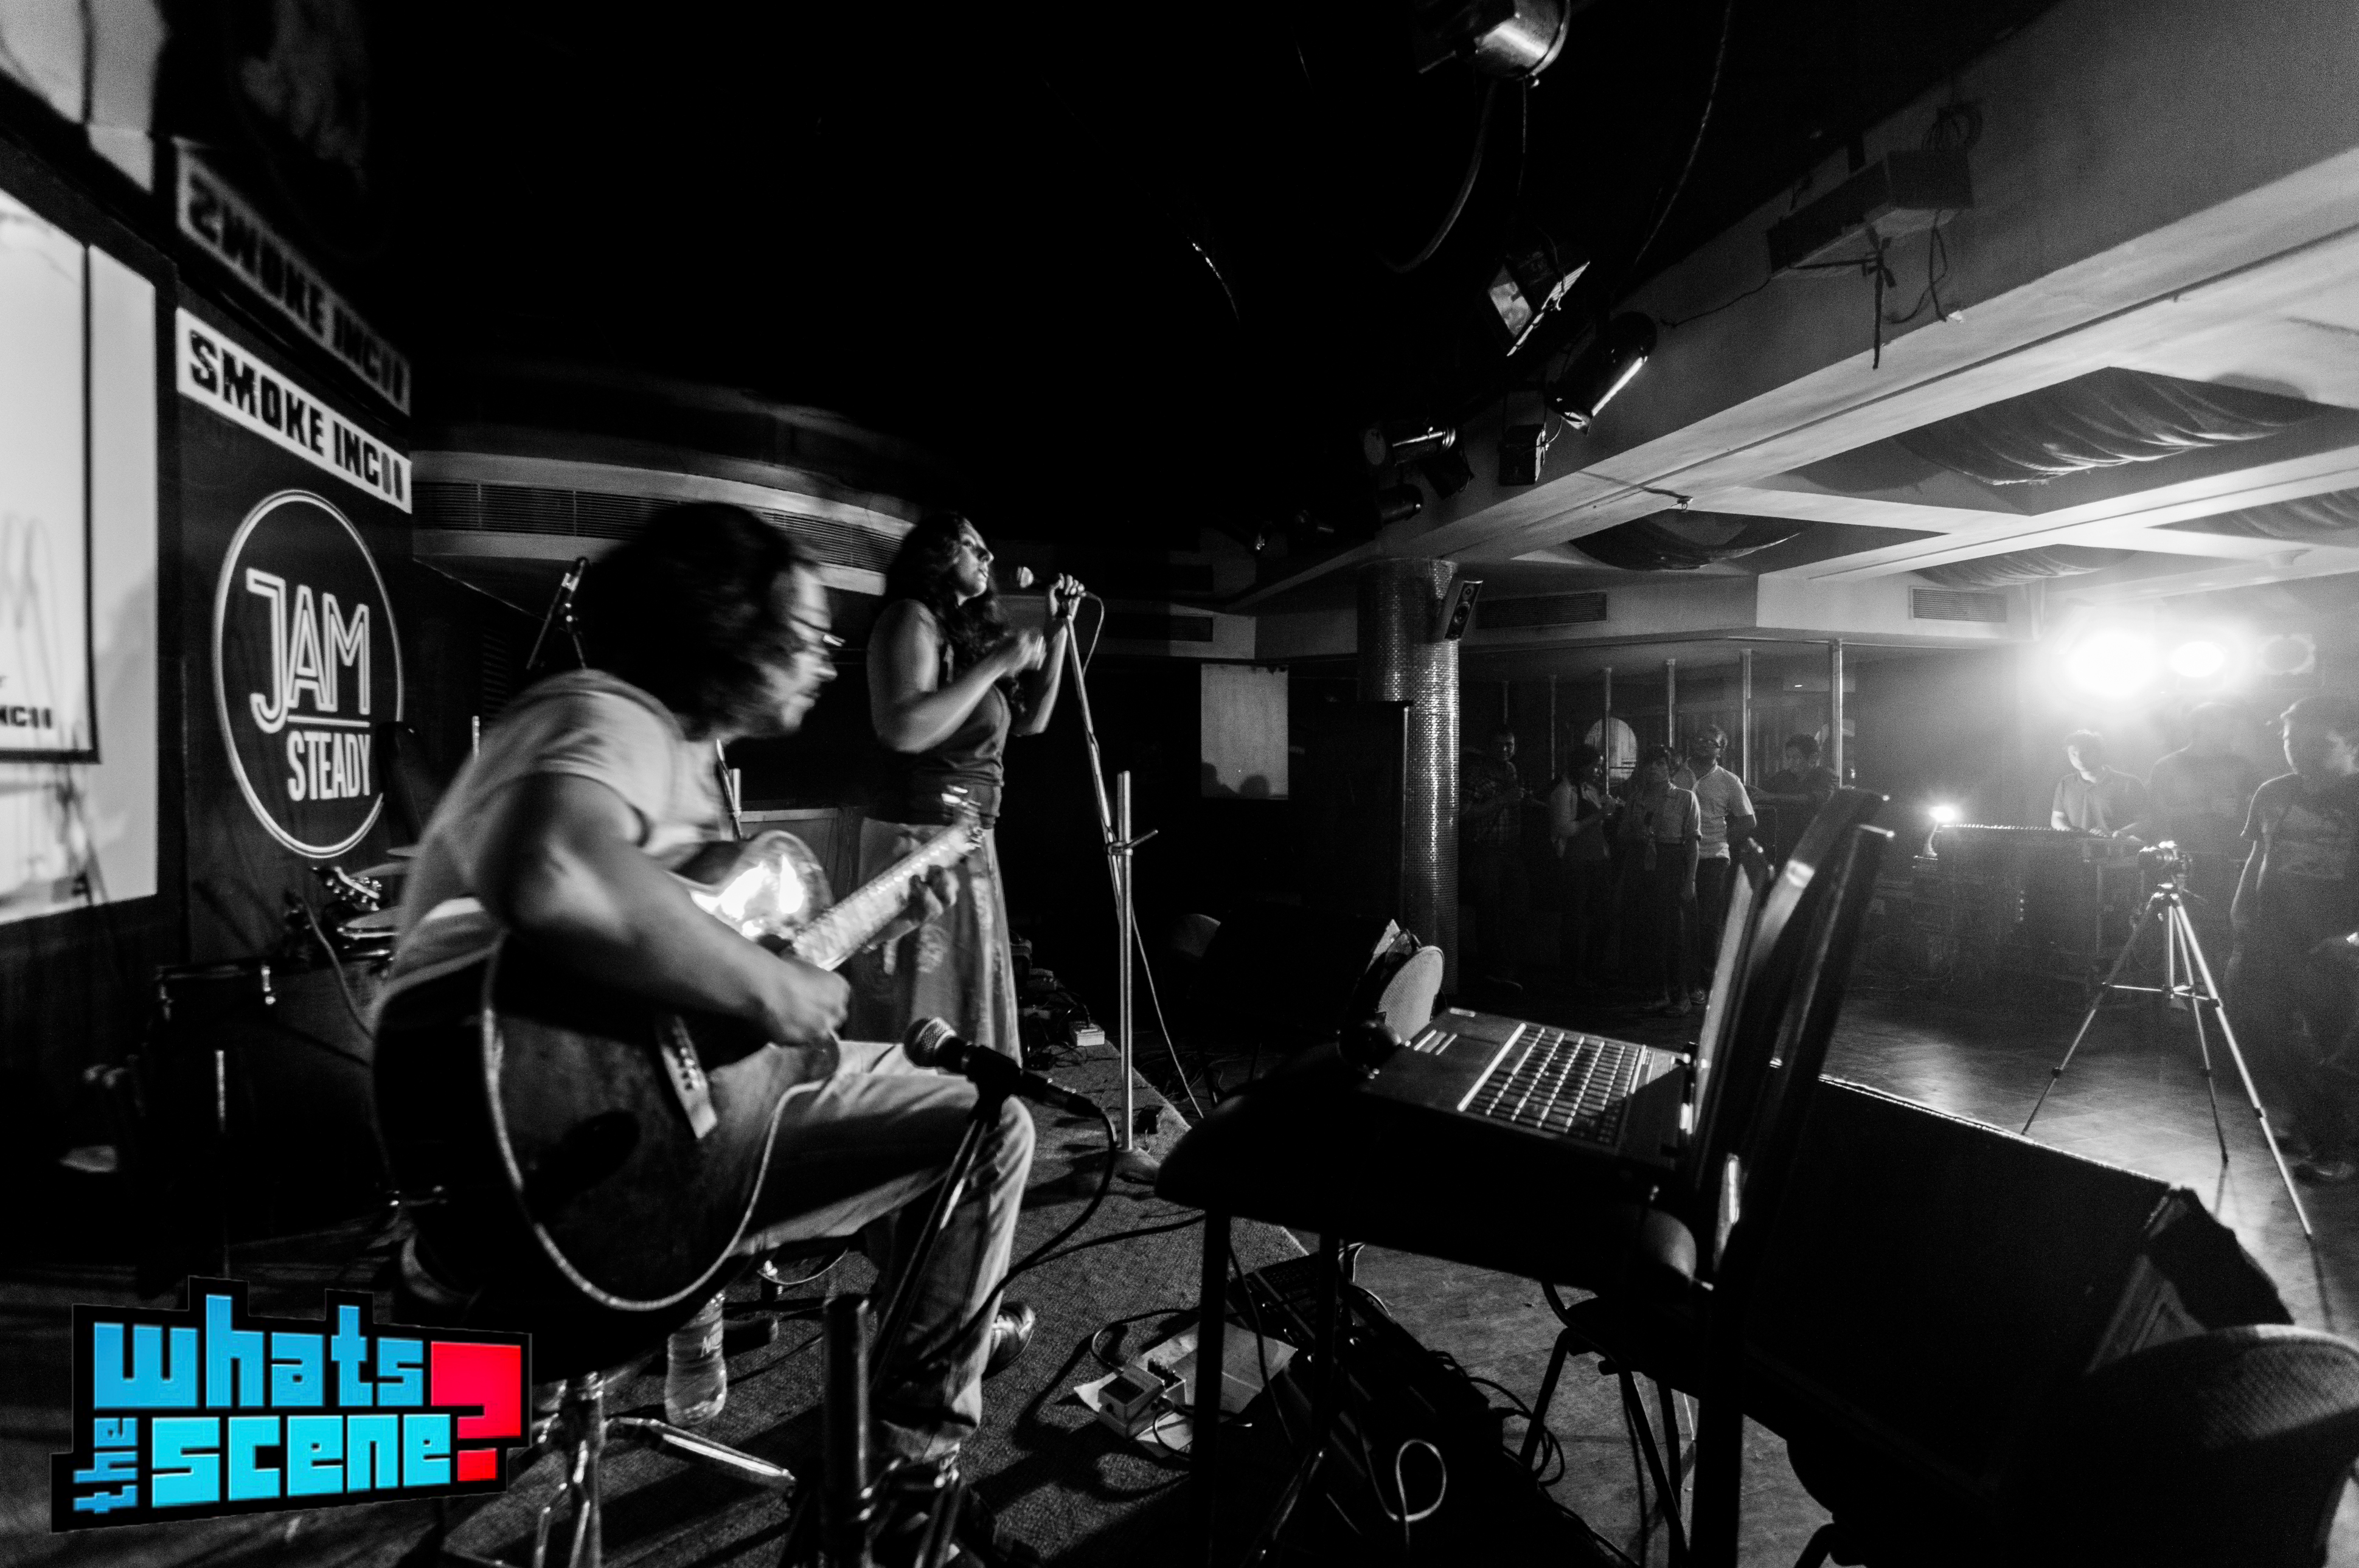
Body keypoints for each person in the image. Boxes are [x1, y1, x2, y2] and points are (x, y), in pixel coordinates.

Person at [384, 505, 1037, 1521]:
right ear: (726, 630)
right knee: (991, 1123)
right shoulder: (612, 714)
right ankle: (910, 1468)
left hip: (590, 1161)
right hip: (575, 1157)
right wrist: (774, 990)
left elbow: (678, 968)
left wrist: (883, 914)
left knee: (930, 1112)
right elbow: (552, 866)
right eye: (803, 634)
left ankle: (920, 1339)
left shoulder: (675, 759)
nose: (824, 658)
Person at [857, 512, 1085, 1059]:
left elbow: (1032, 723)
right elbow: (902, 728)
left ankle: (964, 1104)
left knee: (968, 1009)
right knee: (925, 1011)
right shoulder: (910, 617)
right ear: (936, 555)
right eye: (970, 545)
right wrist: (996, 664)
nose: (988, 557)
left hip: (971, 839)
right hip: (920, 840)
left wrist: (1059, 632)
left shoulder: (962, 637)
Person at [2228, 695, 2359, 1185]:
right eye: (2290, 741)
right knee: (2259, 1032)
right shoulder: (2274, 792)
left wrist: (2354, 940)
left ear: (2353, 742)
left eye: (2314, 743)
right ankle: (2312, 1124)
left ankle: (2336, 1147)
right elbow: (2257, 857)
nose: (2297, 751)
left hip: (2333, 945)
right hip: (2270, 938)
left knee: (2333, 1047)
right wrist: (2240, 916)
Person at [2147, 702, 2264, 941]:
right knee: (2186, 933)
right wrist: (2208, 807)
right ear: (2203, 726)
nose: (2231, 731)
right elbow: (2157, 816)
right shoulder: (2168, 766)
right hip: (2185, 864)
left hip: (2232, 863)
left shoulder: (2241, 766)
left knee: (2228, 932)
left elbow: (2261, 809)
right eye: (2226, 725)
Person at [1670, 725, 1756, 998]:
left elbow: (1748, 820)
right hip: (1676, 854)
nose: (1705, 744)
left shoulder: (1729, 781)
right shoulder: (1675, 774)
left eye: (1712, 742)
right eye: (1700, 739)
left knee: (1707, 922)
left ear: (1721, 750)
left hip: (1712, 858)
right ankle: (1678, 982)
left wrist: (1722, 839)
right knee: (1677, 921)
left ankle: (1704, 983)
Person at [1620, 745, 1700, 1016]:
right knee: (1649, 930)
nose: (1654, 769)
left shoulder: (1685, 797)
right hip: (1642, 864)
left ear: (1671, 768)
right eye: (1650, 764)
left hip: (1671, 863)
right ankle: (1659, 992)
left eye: (1660, 764)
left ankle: (1681, 996)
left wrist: (1690, 880)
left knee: (1675, 931)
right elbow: (1623, 834)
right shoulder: (1636, 798)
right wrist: (1637, 836)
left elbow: (1692, 842)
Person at [1459, 723, 1529, 990]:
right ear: (1489, 747)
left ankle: (1508, 968)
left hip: (1510, 851)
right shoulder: (1476, 774)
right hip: (1486, 851)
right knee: (1489, 912)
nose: (1504, 750)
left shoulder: (1510, 770)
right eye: (1499, 745)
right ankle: (1490, 970)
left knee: (1515, 909)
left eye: (1509, 745)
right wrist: (1502, 800)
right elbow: (1463, 813)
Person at [1548, 742, 1613, 985]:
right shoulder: (1563, 792)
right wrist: (1599, 815)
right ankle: (1573, 973)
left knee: (1601, 915)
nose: (1599, 771)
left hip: (1598, 860)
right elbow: (1565, 829)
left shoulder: (1589, 789)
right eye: (1596, 766)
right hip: (1576, 862)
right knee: (1574, 919)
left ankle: (1594, 968)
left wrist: (1604, 810)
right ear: (1582, 766)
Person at [1756, 733, 1840, 863]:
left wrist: (1772, 798)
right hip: (1786, 845)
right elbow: (1762, 791)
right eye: (1788, 758)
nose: (1790, 763)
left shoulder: (1827, 776)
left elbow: (1815, 799)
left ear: (1813, 757)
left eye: (1796, 758)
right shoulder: (1784, 777)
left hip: (1815, 845)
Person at [2051, 730, 2149, 837]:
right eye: (2073, 754)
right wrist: (2071, 834)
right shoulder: (2066, 783)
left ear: (2099, 752)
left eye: (2085, 753)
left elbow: (2145, 821)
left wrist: (2121, 833)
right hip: (2077, 847)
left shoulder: (2129, 783)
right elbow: (2057, 818)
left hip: (2117, 847)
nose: (2079, 758)